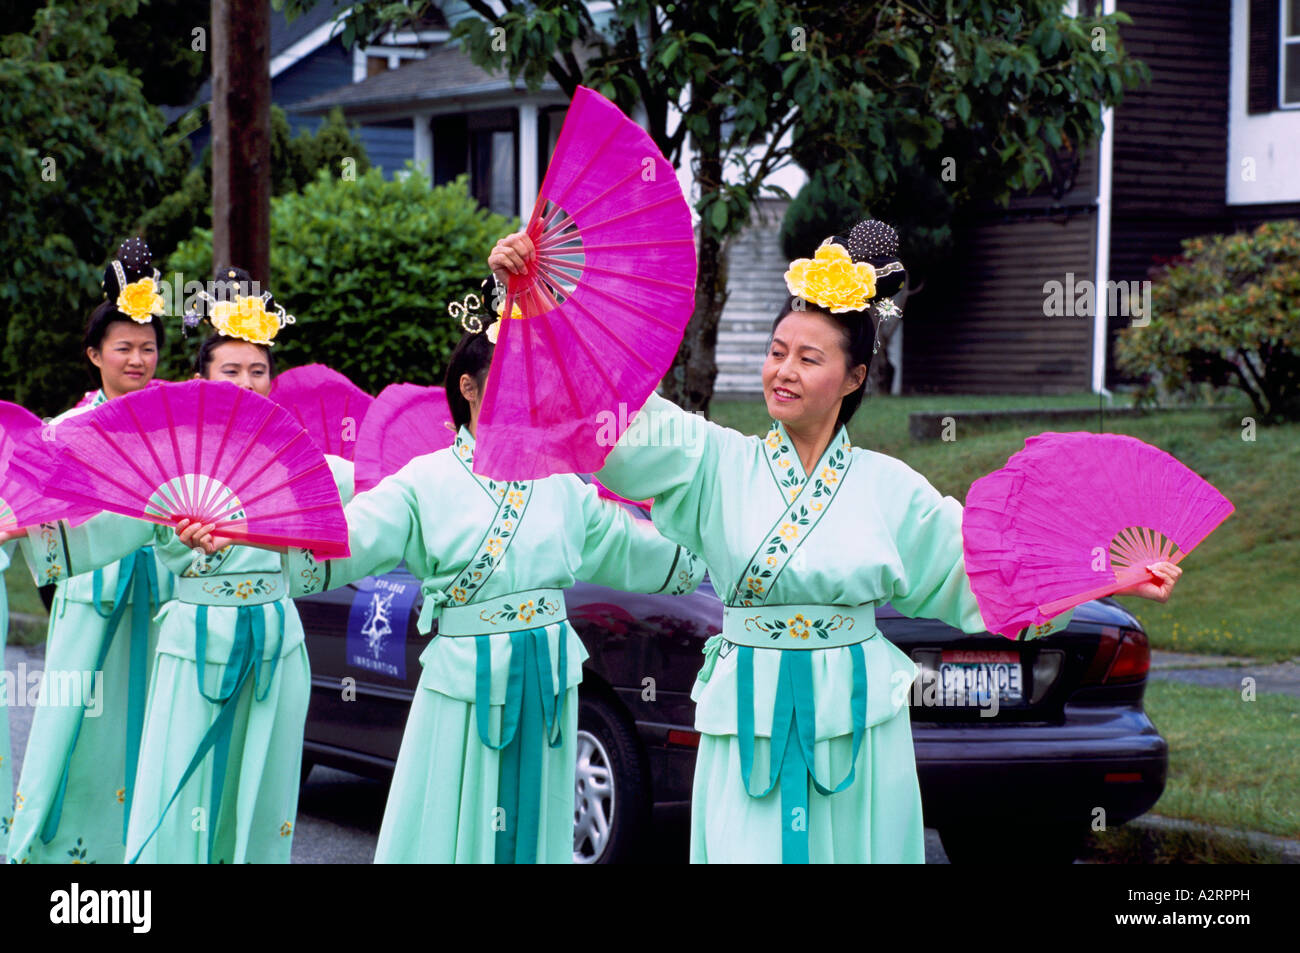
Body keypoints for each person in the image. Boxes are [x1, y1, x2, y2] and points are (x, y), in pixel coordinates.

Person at [488, 221, 1183, 863]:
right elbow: (613, 411)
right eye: (776, 352)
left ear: (853, 378)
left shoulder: (892, 490)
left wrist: (1103, 574)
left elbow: (982, 570)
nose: (783, 370)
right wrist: (536, 305)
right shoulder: (713, 461)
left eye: (808, 357)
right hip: (750, 722)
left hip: (856, 729)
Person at [184, 284, 705, 863]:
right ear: (468, 386)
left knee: (533, 826)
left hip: (547, 676)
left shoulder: (563, 481)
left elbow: (632, 549)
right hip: (466, 682)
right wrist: (246, 530)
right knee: (457, 827)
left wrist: (715, 542)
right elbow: (346, 540)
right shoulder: (423, 481)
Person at [7, 267, 350, 863]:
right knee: (172, 778)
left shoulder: (308, 465)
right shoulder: (169, 460)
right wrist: (26, 521)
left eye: (258, 370)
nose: (246, 382)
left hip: (275, 641)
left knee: (261, 788)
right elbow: (106, 524)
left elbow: (351, 527)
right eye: (230, 371)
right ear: (202, 379)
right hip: (193, 633)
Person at [5, 238, 174, 865]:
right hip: (91, 603)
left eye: (148, 347)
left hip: (164, 604)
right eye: (124, 348)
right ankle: (66, 859)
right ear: (94, 354)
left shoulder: (178, 424)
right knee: (74, 735)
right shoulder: (63, 434)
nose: (137, 359)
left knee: (160, 728)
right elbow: (39, 527)